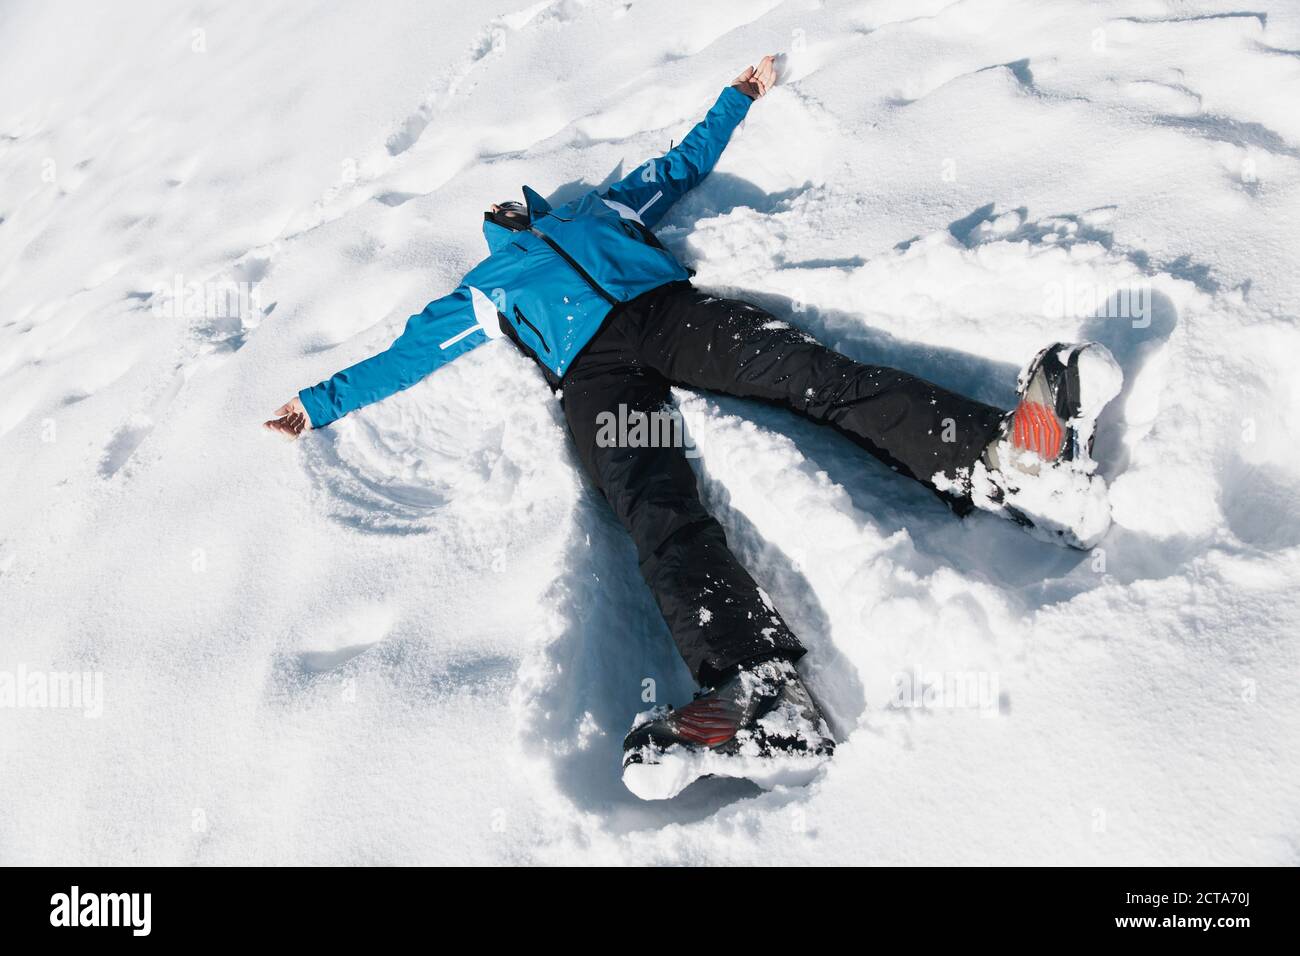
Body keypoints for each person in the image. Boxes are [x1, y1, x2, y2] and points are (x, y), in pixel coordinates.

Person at [265, 56, 1122, 800]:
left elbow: (680, 167)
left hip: (667, 311)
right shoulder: (488, 287)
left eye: (512, 204)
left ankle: (1005, 460)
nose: (508, 212)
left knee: (811, 371)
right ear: (494, 234)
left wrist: (736, 97)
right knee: (653, 504)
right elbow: (407, 357)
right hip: (596, 376)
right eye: (498, 215)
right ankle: (757, 689)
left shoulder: (600, 209)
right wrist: (317, 404)